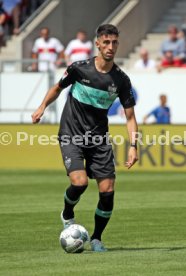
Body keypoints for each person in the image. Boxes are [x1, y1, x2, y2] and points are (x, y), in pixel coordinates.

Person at [32, 24, 138, 252]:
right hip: (72, 134)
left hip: (99, 139)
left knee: (108, 191)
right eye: (106, 42)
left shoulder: (121, 80)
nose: (111, 47)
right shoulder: (79, 69)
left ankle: (97, 238)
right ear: (97, 43)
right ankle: (67, 213)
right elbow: (57, 88)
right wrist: (42, 107)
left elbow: (130, 117)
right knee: (79, 182)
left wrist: (133, 146)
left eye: (115, 42)